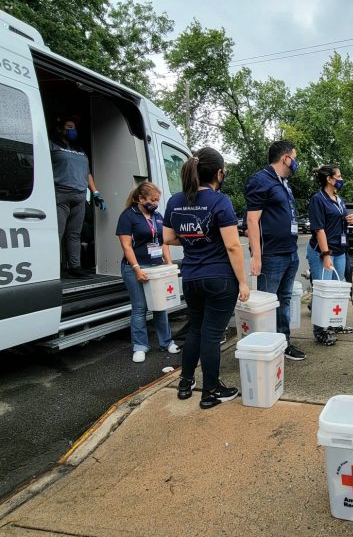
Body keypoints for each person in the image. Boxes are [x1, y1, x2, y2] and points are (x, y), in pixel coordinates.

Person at [163, 147, 250, 409]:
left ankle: (185, 382)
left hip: (191, 278)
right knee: (212, 336)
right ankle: (210, 391)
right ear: (219, 173)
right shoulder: (219, 201)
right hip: (219, 278)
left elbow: (167, 238)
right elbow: (233, 246)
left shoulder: (175, 201)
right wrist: (243, 282)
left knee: (196, 331)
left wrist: (194, 239)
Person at [244, 140, 305, 361]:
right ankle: (264, 348)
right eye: (294, 156)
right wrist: (256, 256)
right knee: (267, 304)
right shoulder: (261, 180)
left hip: (289, 252)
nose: (296, 161)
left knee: (284, 300)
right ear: (285, 158)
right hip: (271, 255)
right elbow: (252, 220)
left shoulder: (283, 182)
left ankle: (283, 342)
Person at [116, 182, 180, 363]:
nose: (155, 203)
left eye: (157, 200)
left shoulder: (157, 216)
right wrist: (136, 268)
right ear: (140, 198)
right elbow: (126, 246)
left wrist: (168, 265)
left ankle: (166, 342)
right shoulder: (128, 216)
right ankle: (140, 346)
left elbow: (163, 243)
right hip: (135, 266)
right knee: (139, 308)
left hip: (156, 267)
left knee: (160, 307)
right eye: (152, 200)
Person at [50, 115, 106, 279]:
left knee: (74, 234)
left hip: (79, 195)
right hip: (60, 193)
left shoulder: (80, 151)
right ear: (60, 128)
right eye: (69, 127)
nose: (72, 130)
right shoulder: (52, 146)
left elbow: (87, 173)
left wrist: (95, 193)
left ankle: (75, 267)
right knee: (57, 233)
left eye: (73, 127)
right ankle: (52, 268)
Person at [307, 165, 353, 346]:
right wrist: (326, 254)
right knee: (323, 291)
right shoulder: (318, 200)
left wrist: (348, 218)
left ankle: (334, 323)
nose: (341, 179)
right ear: (329, 179)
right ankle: (320, 330)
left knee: (337, 290)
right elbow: (319, 228)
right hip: (323, 252)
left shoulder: (338, 199)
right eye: (339, 176)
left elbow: (338, 219)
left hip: (340, 251)